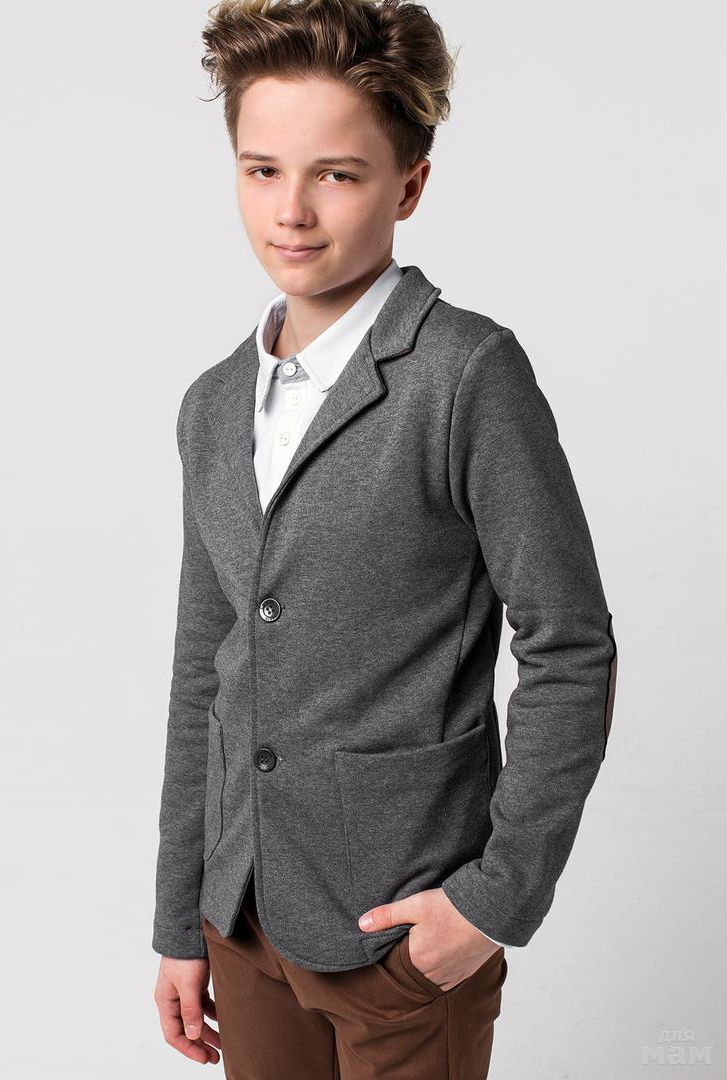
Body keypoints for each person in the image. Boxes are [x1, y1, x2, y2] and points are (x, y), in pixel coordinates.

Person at [152, 1, 618, 1076]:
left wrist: (494, 899)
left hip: (402, 930)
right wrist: (181, 916)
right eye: (262, 170)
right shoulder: (212, 405)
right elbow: (203, 669)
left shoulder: (466, 376)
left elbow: (570, 644)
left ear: (409, 184)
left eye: (338, 174)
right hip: (243, 918)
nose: (293, 210)